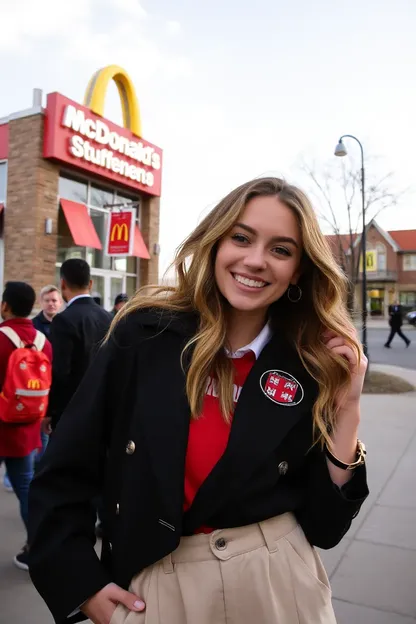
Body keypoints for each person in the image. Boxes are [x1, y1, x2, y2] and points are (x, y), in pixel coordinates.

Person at [28, 178, 369, 624]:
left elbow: (326, 528)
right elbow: (63, 474)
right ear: (215, 242)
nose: (255, 260)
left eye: (281, 250)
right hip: (155, 588)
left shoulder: (310, 363)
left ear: (298, 272)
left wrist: (347, 409)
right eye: (242, 238)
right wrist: (81, 584)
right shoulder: (142, 336)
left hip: (278, 589)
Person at [0, 282, 52, 570]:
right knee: (25, 487)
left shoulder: (1, 338)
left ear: (5, 306)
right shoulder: (43, 341)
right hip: (26, 428)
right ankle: (36, 548)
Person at [46, 259, 112, 430]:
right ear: (90, 283)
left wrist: (51, 412)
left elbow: (60, 372)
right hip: (103, 409)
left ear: (62, 284)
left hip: (71, 413)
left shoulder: (63, 320)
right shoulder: (109, 318)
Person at [31, 285, 62, 464]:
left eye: (54, 300)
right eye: (48, 300)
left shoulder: (65, 323)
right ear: (41, 302)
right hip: (37, 386)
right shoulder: (34, 326)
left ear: (60, 303)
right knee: (40, 437)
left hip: (57, 386)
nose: (51, 304)